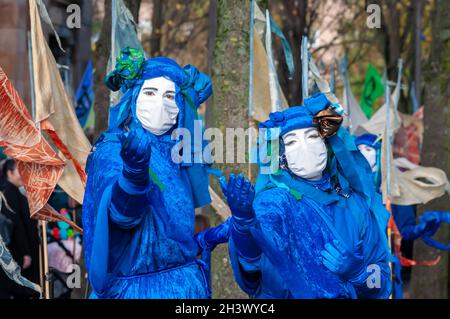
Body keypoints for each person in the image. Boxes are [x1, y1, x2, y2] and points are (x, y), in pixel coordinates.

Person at [82, 47, 229, 299]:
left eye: (171, 96)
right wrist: (133, 178)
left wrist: (204, 240)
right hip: (137, 292)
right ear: (134, 97)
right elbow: (120, 218)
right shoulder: (112, 149)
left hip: (187, 289)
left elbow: (171, 231)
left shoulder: (174, 152)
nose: (162, 103)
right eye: (151, 92)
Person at [221, 93, 392, 298]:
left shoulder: (354, 205)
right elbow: (252, 270)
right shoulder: (273, 204)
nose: (305, 147)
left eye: (312, 136)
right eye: (292, 142)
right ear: (280, 156)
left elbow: (380, 281)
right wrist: (243, 225)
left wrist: (359, 273)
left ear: (327, 145)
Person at [355, 133, 448, 298]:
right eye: (359, 148)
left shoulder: (393, 190)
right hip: (353, 261)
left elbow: (405, 231)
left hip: (382, 260)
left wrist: (426, 226)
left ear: (379, 153)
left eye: (368, 149)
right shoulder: (345, 187)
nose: (362, 152)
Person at [0, 158, 40, 299]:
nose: (23, 174)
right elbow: (17, 225)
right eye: (19, 171)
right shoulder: (8, 193)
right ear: (9, 173)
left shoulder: (13, 191)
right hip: (18, 251)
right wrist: (25, 253)